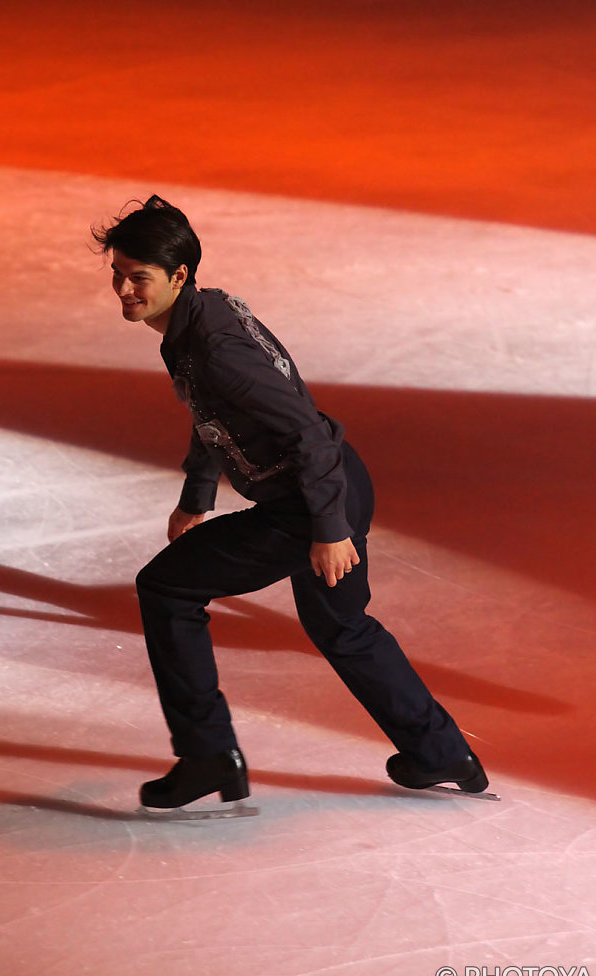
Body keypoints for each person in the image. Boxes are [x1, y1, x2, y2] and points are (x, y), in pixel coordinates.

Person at [92, 195, 489, 810]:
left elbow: (304, 431)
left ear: (178, 276)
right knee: (344, 627)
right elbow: (212, 417)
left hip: (309, 502)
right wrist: (198, 496)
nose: (122, 288)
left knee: (167, 588)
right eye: (117, 273)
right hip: (339, 483)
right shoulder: (200, 316)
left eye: (137, 277)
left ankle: (206, 754)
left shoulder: (215, 348)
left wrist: (328, 530)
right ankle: (441, 752)